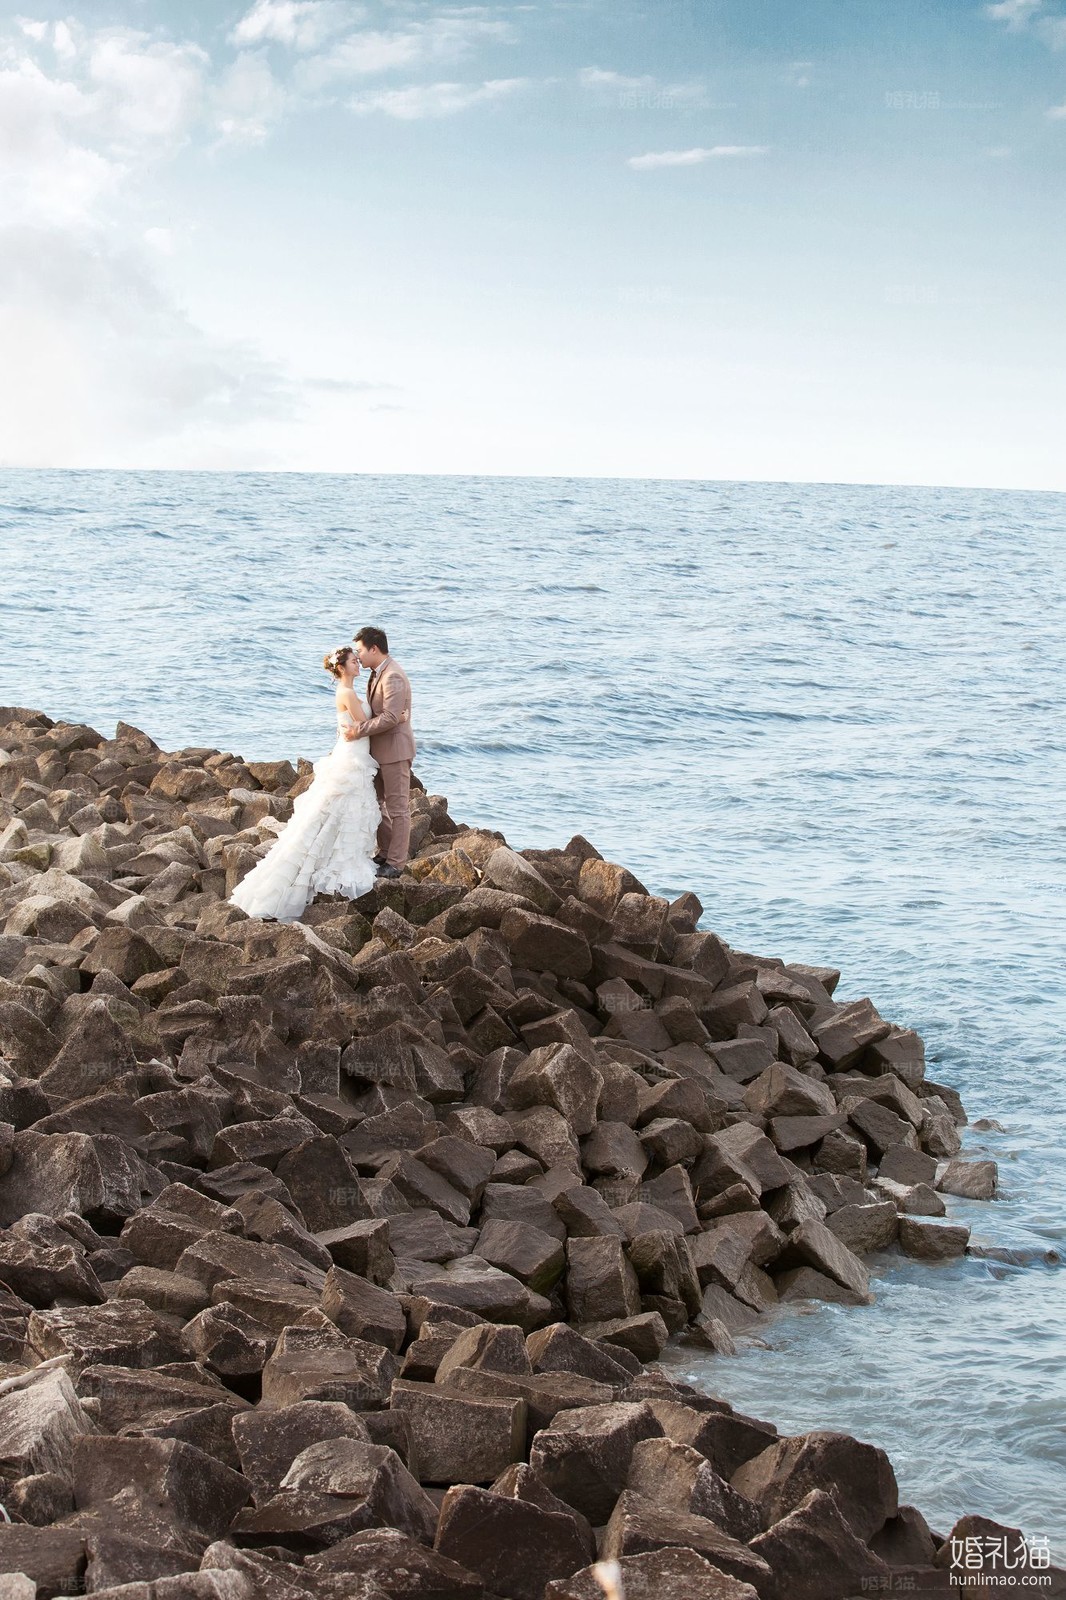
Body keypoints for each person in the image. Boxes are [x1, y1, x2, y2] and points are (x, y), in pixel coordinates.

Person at [229, 645, 396, 922]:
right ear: (341, 667)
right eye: (354, 661)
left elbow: (357, 727)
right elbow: (366, 723)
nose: (358, 664)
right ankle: (327, 863)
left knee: (345, 810)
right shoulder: (346, 693)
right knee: (340, 808)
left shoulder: (349, 692)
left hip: (354, 753)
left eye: (358, 660)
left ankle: (334, 856)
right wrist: (396, 717)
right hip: (352, 758)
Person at [344, 626, 415, 880]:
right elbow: (389, 715)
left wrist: (358, 730)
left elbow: (390, 717)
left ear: (374, 648)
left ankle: (396, 863)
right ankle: (385, 852)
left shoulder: (392, 675)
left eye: (361, 650)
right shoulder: (376, 673)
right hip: (377, 752)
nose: (358, 655)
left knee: (398, 809)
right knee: (376, 802)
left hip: (395, 751)